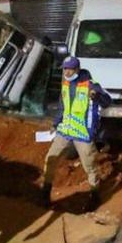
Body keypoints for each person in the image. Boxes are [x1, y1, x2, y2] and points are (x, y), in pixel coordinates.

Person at [39, 56, 111, 208]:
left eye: (69, 69)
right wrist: (56, 123)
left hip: (83, 133)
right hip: (65, 130)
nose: (66, 71)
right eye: (64, 68)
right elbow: (62, 105)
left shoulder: (90, 85)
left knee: (90, 166)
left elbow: (107, 102)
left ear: (77, 69)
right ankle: (45, 192)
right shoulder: (65, 82)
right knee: (50, 159)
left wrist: (96, 95)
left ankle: (94, 195)